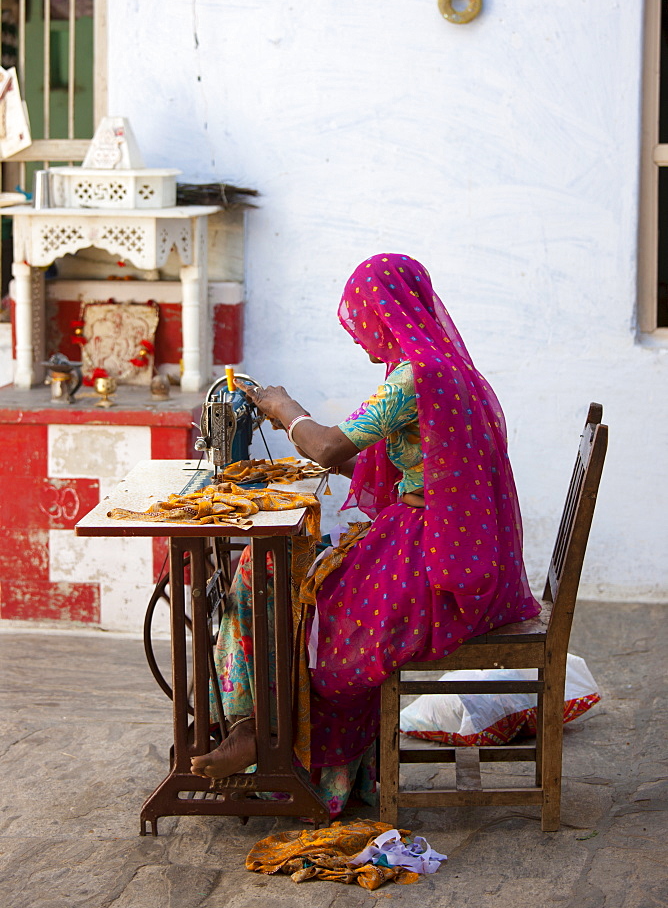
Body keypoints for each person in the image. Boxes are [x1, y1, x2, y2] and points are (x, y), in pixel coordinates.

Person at [191, 253, 541, 815]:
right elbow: (394, 464)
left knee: (287, 591)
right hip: (460, 553)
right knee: (283, 577)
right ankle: (255, 731)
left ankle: (261, 736)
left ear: (387, 314)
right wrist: (312, 441)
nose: (362, 340)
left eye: (362, 324)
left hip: (436, 568)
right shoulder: (454, 373)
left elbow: (330, 447)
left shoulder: (416, 378)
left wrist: (285, 410)